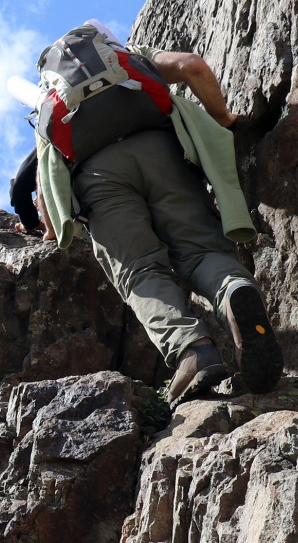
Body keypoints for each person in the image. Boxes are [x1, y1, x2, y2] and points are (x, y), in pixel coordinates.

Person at [17, 36, 282, 404]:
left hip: (99, 179)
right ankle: (235, 291)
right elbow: (192, 66)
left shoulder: (50, 99)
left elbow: (46, 183)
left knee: (140, 272)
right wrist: (223, 118)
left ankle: (194, 352)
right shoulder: (128, 59)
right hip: (163, 154)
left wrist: (48, 231)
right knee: (201, 251)